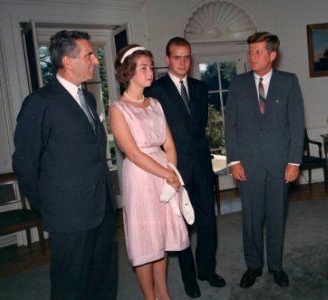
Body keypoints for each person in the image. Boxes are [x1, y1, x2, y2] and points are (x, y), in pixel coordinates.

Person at [12, 30, 117, 299]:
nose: (95, 60)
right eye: (89, 55)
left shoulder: (89, 98)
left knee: (103, 281)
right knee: (70, 286)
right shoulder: (40, 103)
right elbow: (25, 164)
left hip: (101, 209)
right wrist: (48, 205)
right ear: (68, 62)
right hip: (68, 215)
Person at [145, 37, 226, 298]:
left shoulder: (201, 88)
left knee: (207, 221)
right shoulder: (155, 90)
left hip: (202, 164)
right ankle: (189, 278)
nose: (183, 63)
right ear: (167, 59)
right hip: (174, 168)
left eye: (187, 57)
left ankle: (207, 270)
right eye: (177, 57)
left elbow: (199, 130)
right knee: (179, 227)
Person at [224, 31, 305, 289]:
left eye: (258, 52)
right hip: (247, 165)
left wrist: (294, 162)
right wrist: (234, 160)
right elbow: (231, 126)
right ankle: (254, 265)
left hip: (280, 165)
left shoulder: (289, 82)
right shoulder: (237, 84)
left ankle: (276, 266)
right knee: (251, 218)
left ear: (272, 55)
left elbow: (296, 125)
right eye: (250, 52)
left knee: (276, 217)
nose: (252, 57)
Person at [109, 44, 190, 300]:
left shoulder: (155, 103)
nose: (150, 72)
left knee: (161, 236)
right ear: (128, 72)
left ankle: (163, 292)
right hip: (141, 177)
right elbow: (132, 153)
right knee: (145, 239)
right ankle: (149, 296)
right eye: (143, 67)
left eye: (151, 66)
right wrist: (166, 173)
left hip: (164, 172)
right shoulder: (118, 109)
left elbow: (169, 144)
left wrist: (172, 170)